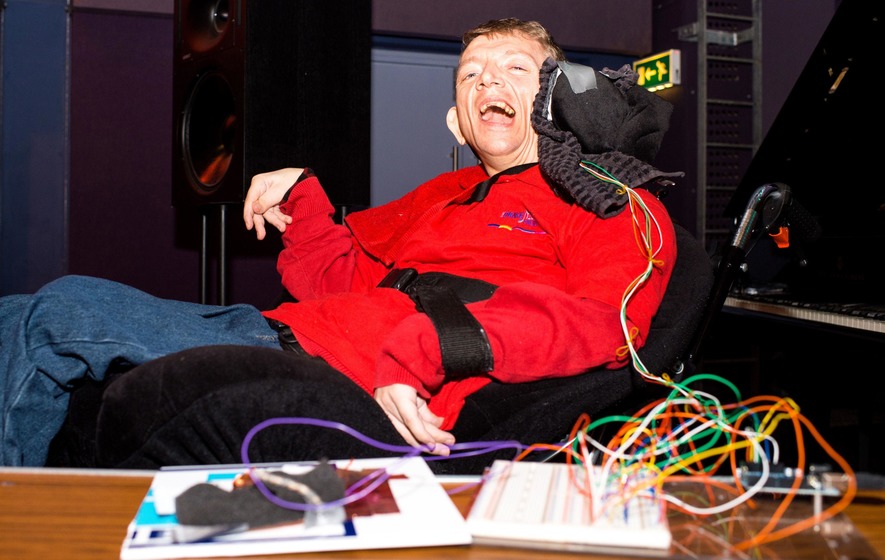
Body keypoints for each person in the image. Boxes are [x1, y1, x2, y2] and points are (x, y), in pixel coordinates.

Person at [0, 18, 678, 468]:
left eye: (512, 70)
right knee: (16, 313)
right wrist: (303, 194)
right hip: (291, 329)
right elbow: (335, 280)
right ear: (458, 119)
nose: (486, 83)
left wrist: (422, 348)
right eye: (470, 73)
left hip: (351, 364)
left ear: (555, 97)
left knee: (61, 311)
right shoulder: (438, 196)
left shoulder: (604, 198)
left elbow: (603, 321)